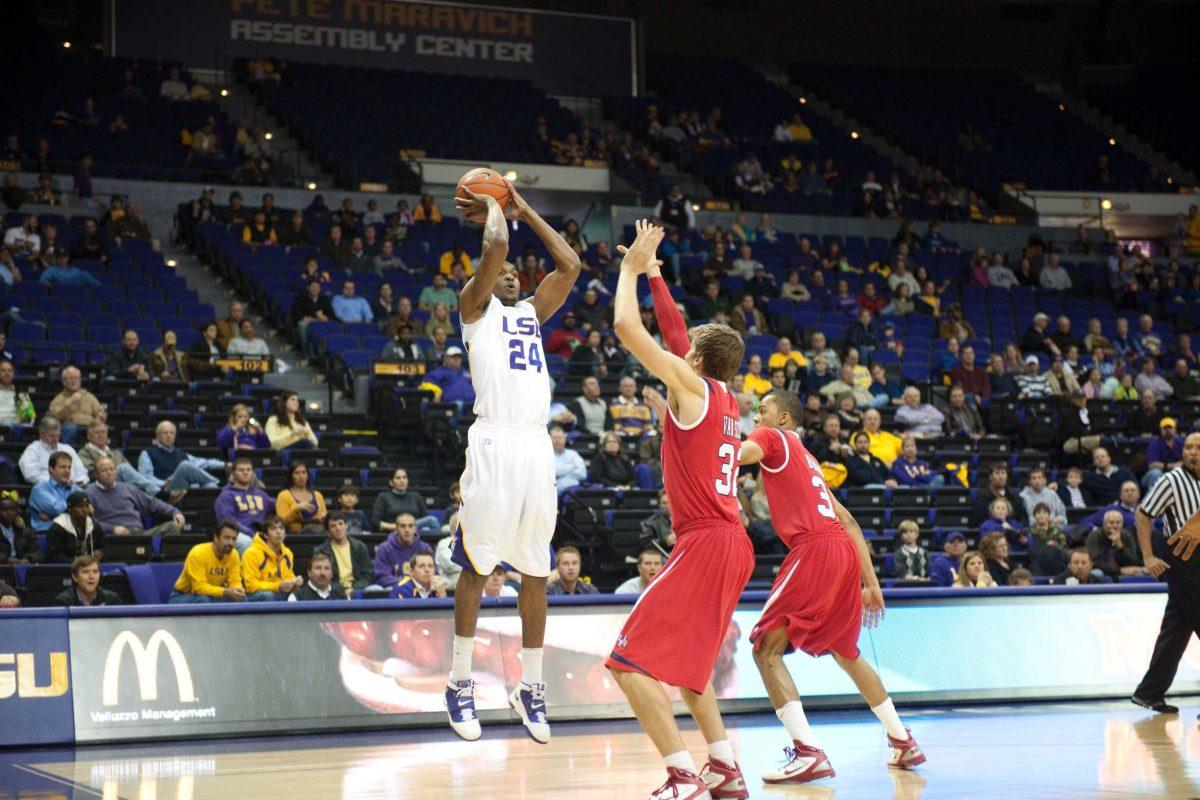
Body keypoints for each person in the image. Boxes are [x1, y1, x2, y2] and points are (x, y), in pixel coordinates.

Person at [604, 220, 755, 798]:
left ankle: (681, 773)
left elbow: (625, 326)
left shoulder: (686, 387)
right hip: (732, 543)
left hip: (707, 540)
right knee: (693, 670)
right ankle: (723, 766)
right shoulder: (724, 397)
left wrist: (628, 271)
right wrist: (657, 274)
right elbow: (673, 333)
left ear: (693, 356)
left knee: (626, 663)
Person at [442, 180, 582, 745]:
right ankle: (458, 681)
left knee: (534, 569)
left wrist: (523, 207)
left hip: (534, 447)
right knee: (478, 566)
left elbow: (569, 264)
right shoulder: (473, 308)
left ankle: (531, 686)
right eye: (501, 274)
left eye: (515, 276)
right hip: (495, 441)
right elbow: (495, 251)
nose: (510, 275)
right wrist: (495, 207)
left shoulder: (529, 312)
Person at [738, 390, 924, 783]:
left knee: (765, 649)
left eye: (763, 411)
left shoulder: (773, 438)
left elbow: (741, 455)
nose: (756, 419)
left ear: (784, 418)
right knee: (845, 650)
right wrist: (870, 583)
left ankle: (807, 752)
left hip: (814, 549)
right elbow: (850, 522)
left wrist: (706, 443)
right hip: (841, 551)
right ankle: (902, 740)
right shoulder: (810, 463)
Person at [1131, 432, 1200, 718]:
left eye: (1198, 448)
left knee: (1177, 628)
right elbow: (1143, 514)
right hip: (1184, 558)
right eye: (1189, 448)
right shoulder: (1172, 481)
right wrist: (1148, 557)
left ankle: (1149, 692)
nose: (1193, 452)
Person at [86, 457, 185, 538]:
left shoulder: (128, 488)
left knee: (173, 526)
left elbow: (153, 503)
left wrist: (175, 512)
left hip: (140, 535)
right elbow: (88, 522)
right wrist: (112, 529)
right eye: (104, 470)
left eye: (112, 469)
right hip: (114, 537)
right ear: (96, 474)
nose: (109, 473)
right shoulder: (90, 493)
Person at [169, 521, 245, 603]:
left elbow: (235, 581)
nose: (230, 543)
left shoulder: (234, 555)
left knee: (242, 599)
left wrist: (238, 590)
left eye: (234, 539)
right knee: (203, 600)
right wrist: (226, 591)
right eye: (227, 538)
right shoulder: (197, 553)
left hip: (211, 595)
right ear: (216, 538)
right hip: (183, 596)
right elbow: (199, 588)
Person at [137, 420, 223, 491]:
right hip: (165, 491)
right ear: (158, 436)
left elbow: (205, 463)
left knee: (210, 486)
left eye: (171, 433)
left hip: (185, 488)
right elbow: (144, 478)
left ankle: (214, 483)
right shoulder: (147, 453)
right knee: (184, 465)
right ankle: (218, 482)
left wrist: (226, 465)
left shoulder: (182, 454)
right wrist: (163, 483)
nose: (169, 436)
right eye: (165, 433)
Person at [214, 458, 273, 549]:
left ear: (253, 473)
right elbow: (228, 522)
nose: (245, 472)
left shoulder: (261, 494)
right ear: (233, 474)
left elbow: (279, 505)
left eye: (248, 470)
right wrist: (252, 534)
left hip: (260, 534)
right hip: (236, 534)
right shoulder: (226, 496)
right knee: (246, 542)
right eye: (241, 470)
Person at [313, 513, 375, 599]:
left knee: (376, 589)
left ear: (346, 526)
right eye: (333, 526)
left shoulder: (359, 546)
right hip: (332, 590)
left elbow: (368, 574)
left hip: (358, 589)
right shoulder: (320, 551)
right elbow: (322, 577)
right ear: (328, 532)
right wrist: (342, 590)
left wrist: (353, 589)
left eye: (340, 524)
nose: (338, 528)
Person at [242, 516, 300, 601]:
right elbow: (250, 586)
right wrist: (278, 586)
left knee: (298, 593)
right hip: (255, 596)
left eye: (281, 528)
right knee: (267, 595)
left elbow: (288, 577)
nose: (278, 532)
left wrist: (294, 582)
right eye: (273, 529)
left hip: (278, 592)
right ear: (265, 535)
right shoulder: (251, 553)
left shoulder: (287, 553)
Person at [19, 416, 88, 485]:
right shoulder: (33, 450)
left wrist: (78, 483)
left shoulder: (67, 449)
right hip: (47, 489)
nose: (55, 439)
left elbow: (82, 473)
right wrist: (58, 482)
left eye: (58, 436)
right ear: (42, 434)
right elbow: (30, 475)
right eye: (52, 436)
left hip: (73, 487)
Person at [374, 513, 433, 588]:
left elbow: (432, 573)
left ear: (415, 529)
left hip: (420, 588)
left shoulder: (425, 548)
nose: (407, 530)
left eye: (410, 526)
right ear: (396, 529)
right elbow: (382, 577)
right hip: (394, 588)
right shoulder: (384, 548)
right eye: (403, 526)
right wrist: (406, 584)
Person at [371, 467, 438, 534]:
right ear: (391, 482)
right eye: (398, 478)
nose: (402, 480)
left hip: (414, 532)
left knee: (427, 527)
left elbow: (425, 518)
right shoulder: (383, 497)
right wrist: (398, 527)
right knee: (432, 521)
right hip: (393, 532)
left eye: (404, 477)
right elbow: (375, 522)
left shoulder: (415, 496)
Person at [1085, 510, 1144, 581]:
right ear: (1104, 524)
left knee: (1138, 573)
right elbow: (1095, 563)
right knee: (1097, 573)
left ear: (1122, 524)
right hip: (1103, 570)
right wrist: (1120, 570)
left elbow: (1133, 562)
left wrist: (1120, 546)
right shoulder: (1094, 536)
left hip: (1122, 570)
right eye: (1111, 522)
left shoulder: (1127, 536)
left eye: (1118, 522)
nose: (1115, 525)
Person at [45, 491, 103, 563]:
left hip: (91, 566)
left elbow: (103, 546)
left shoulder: (94, 525)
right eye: (80, 506)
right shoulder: (58, 528)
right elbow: (54, 557)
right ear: (70, 509)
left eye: (87, 506)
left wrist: (100, 552)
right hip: (66, 570)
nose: (84, 510)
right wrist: (77, 562)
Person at [30, 452, 78, 534]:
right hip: (47, 534)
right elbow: (56, 508)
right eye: (62, 467)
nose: (67, 471)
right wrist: (75, 508)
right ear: (51, 469)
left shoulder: (76, 489)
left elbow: (87, 510)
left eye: (69, 467)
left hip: (73, 534)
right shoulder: (39, 489)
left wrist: (52, 516)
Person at [55, 553, 121, 606]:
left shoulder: (111, 599)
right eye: (85, 572)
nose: (91, 576)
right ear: (75, 577)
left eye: (95, 571)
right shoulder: (64, 601)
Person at [1144, 418, 1184, 492]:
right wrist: (1173, 465)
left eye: (1170, 427)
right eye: (1165, 428)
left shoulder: (1181, 443)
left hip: (1175, 473)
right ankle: (1154, 501)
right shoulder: (1154, 444)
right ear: (1161, 430)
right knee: (1156, 473)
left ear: (1175, 430)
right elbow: (1152, 465)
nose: (1168, 430)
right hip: (1152, 475)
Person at [0, 497, 40, 564]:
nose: (9, 513)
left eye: (13, 510)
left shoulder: (27, 532)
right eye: (5, 510)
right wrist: (6, 559)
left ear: (17, 512)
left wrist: (27, 559)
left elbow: (37, 553)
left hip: (23, 568)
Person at [551, 427, 587, 494]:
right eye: (555, 438)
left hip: (575, 491)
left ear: (564, 439)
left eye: (560, 437)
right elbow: (552, 473)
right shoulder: (546, 456)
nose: (557, 440)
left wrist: (560, 476)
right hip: (555, 492)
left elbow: (582, 474)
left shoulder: (573, 454)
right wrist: (571, 467)